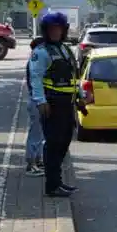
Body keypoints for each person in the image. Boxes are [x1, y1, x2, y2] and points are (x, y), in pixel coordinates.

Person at [28, 12, 83, 197]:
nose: (55, 32)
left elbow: (73, 77)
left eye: (58, 29)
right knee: (53, 144)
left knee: (64, 141)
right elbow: (35, 78)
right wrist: (41, 101)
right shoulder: (41, 52)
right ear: (46, 31)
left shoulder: (65, 50)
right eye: (52, 29)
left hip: (67, 104)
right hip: (52, 104)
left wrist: (80, 97)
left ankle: (57, 181)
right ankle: (52, 185)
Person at [24, 36, 46, 174]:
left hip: (38, 100)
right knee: (36, 133)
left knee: (40, 133)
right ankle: (31, 163)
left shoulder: (34, 61)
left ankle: (37, 159)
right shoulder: (34, 62)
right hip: (36, 101)